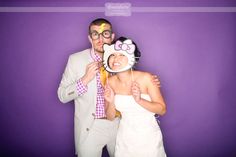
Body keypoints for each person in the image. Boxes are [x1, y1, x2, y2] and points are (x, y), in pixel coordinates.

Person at [57, 18, 161, 157]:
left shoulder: (119, 60)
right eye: (95, 34)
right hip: (91, 127)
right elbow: (62, 96)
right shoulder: (75, 60)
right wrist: (85, 79)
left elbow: (136, 82)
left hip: (120, 126)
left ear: (112, 36)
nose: (100, 39)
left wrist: (151, 83)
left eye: (105, 33)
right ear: (90, 38)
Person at [104, 37, 167, 157]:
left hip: (148, 137)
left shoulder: (146, 78)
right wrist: (110, 101)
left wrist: (139, 100)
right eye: (112, 55)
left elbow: (162, 109)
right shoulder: (110, 82)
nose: (115, 59)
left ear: (132, 58)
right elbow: (110, 117)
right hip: (125, 138)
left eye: (121, 55)